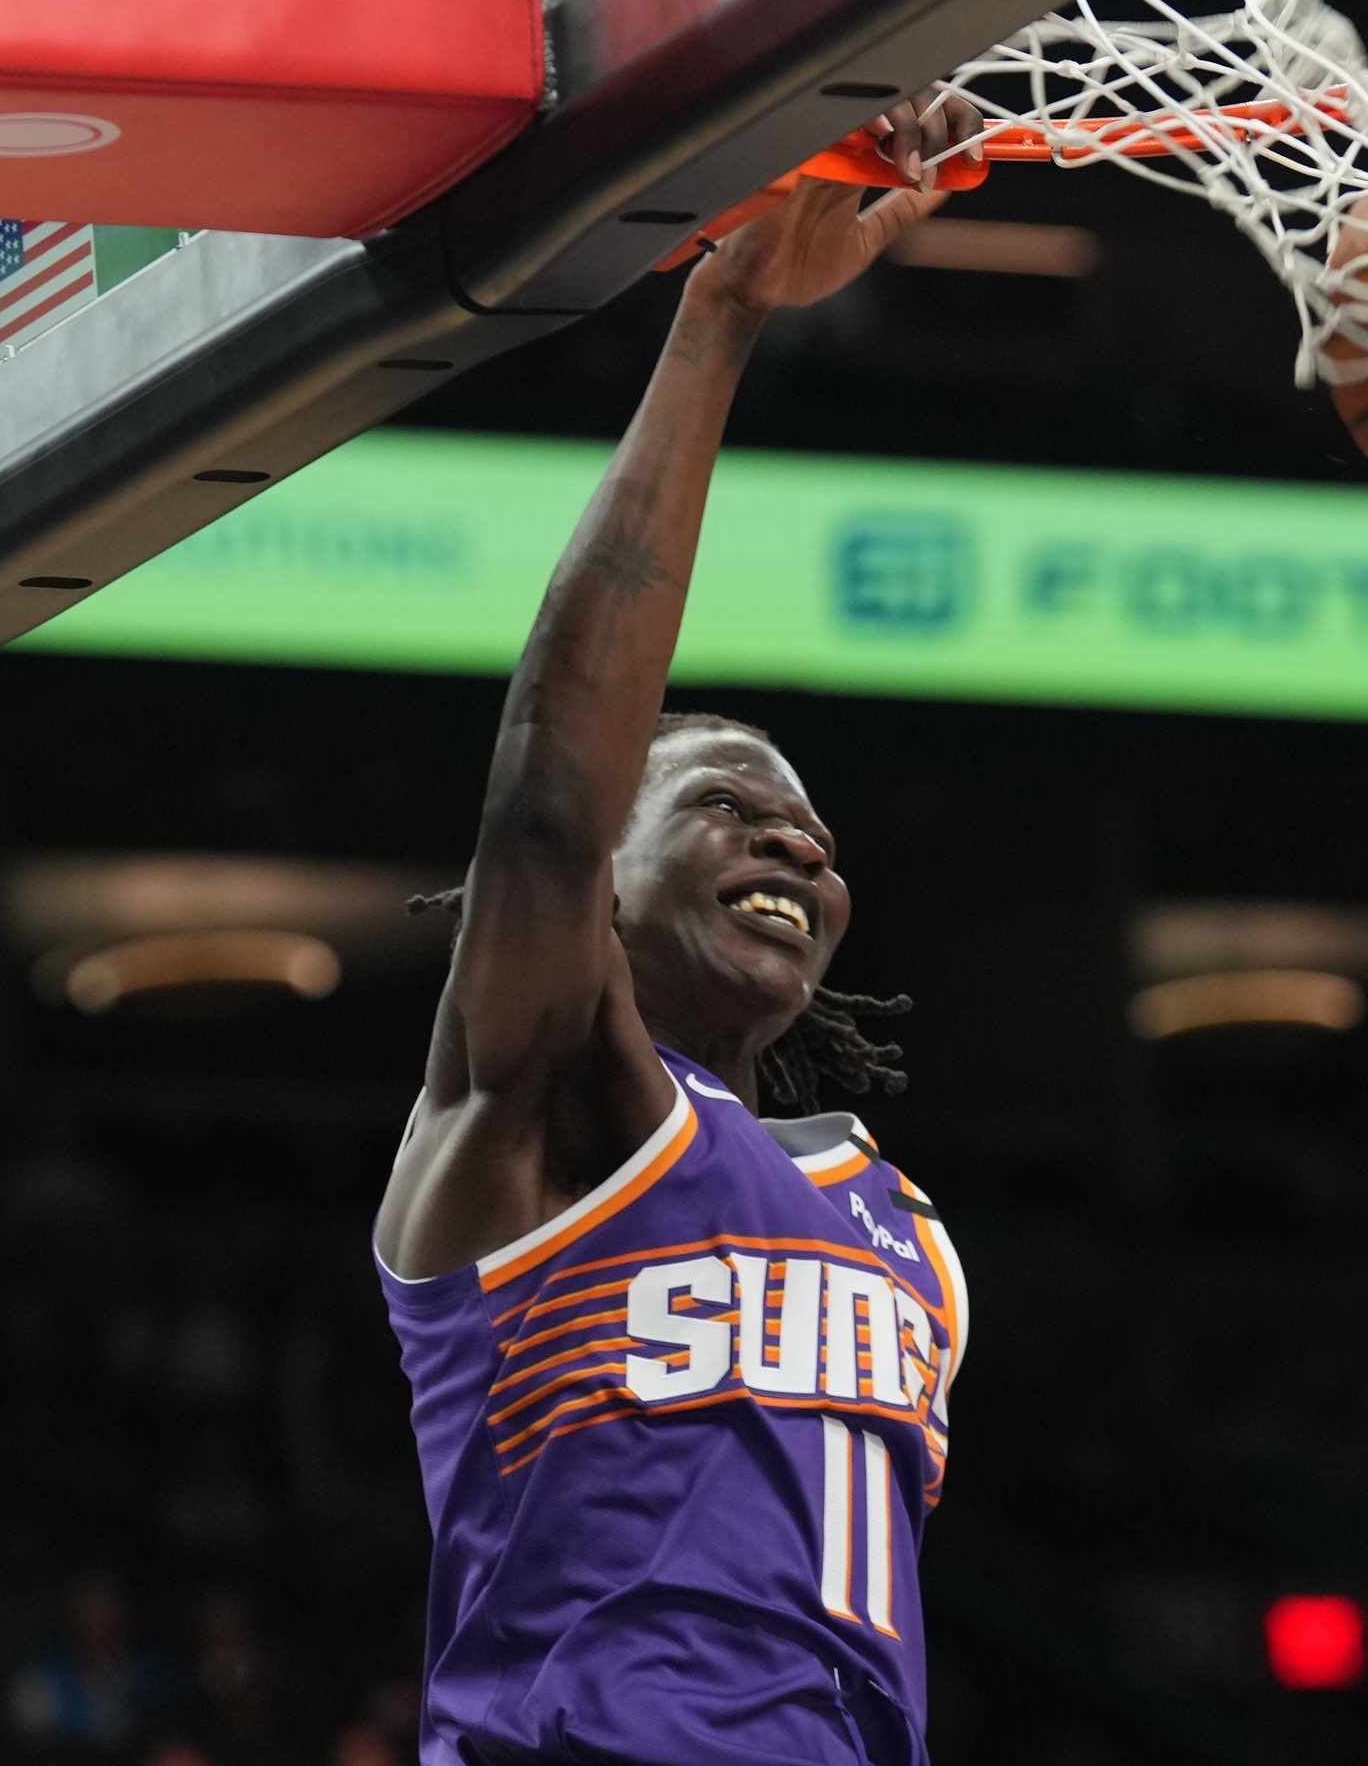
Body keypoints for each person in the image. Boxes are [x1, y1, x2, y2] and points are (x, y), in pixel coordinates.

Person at [374, 114, 972, 1766]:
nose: (790, 840)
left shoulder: (903, 1232)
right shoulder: (541, 1112)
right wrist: (721, 318)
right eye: (720, 802)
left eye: (814, 841)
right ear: (607, 881)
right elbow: (548, 812)